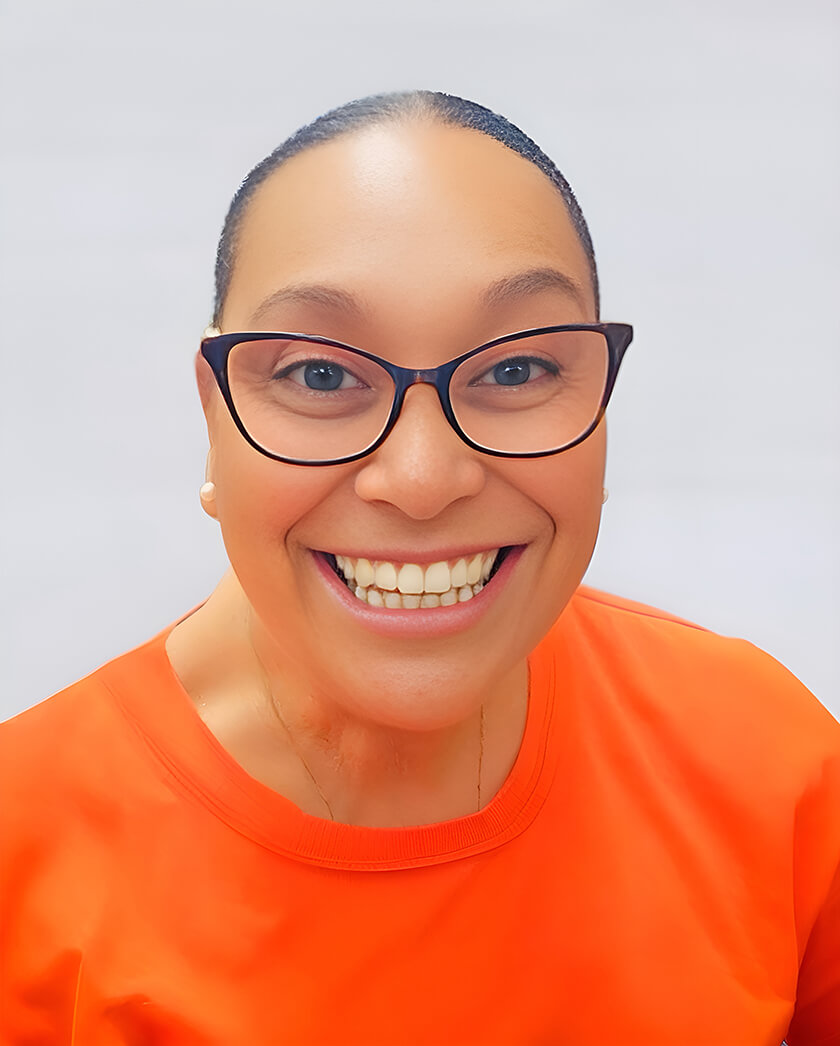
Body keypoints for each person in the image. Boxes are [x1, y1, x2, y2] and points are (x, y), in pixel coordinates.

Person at [1, 90, 837, 1046]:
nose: (424, 479)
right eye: (322, 375)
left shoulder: (770, 768)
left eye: (516, 370)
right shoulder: (20, 856)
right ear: (214, 412)